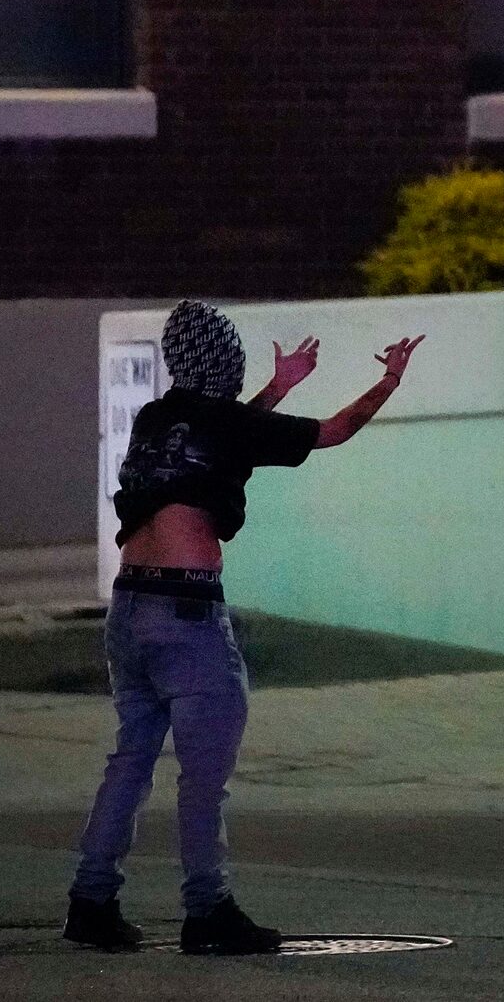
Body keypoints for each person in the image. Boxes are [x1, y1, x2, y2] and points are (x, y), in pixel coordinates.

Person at [66, 302, 421, 955]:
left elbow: (222, 435)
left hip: (129, 607)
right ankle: (208, 912)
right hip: (187, 612)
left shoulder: (156, 418)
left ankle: (90, 901)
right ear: (226, 361)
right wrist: (389, 380)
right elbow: (335, 430)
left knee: (131, 759)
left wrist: (283, 385)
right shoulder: (226, 424)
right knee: (204, 774)